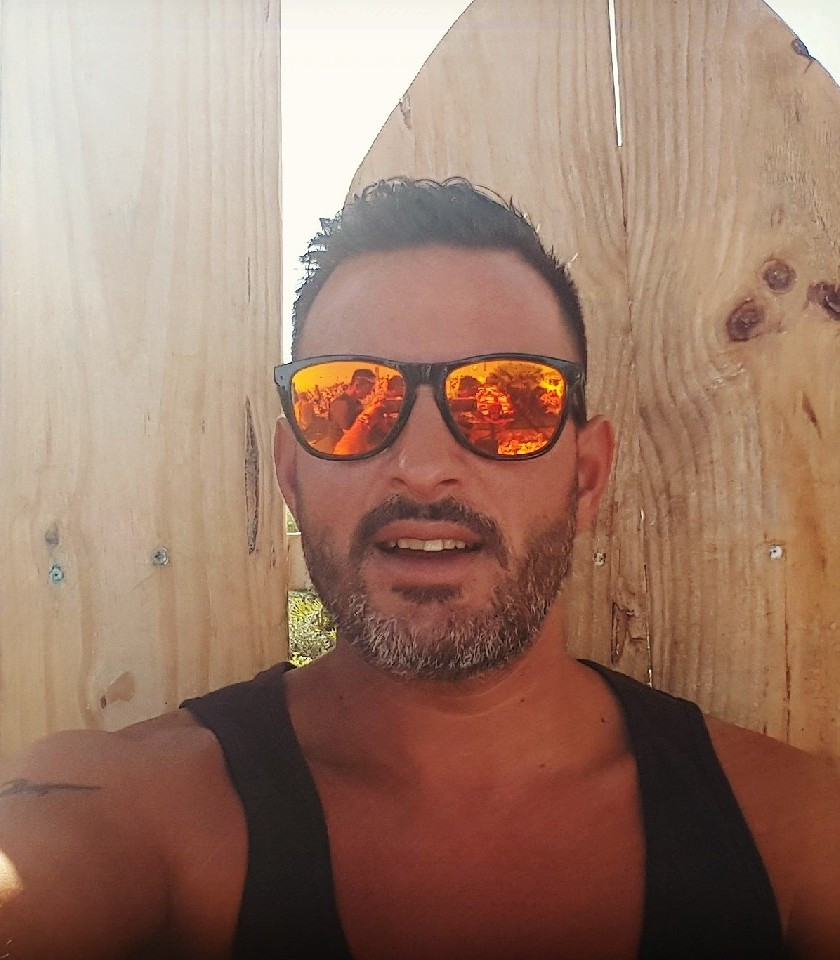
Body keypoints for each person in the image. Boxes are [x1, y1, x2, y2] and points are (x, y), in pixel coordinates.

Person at [1, 177, 839, 959]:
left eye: (508, 401)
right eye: (349, 401)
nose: (424, 466)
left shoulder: (797, 834)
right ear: (293, 477)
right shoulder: (129, 809)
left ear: (586, 478)